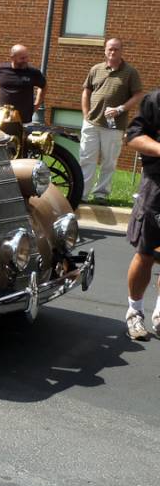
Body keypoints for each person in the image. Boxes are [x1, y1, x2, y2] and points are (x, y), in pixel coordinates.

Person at [79, 38, 144, 203]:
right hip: (92, 123)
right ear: (105, 50)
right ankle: (82, 195)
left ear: (121, 51)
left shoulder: (130, 72)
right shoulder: (96, 69)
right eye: (110, 49)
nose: (112, 52)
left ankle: (101, 194)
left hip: (114, 126)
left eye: (116, 49)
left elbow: (138, 95)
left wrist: (120, 109)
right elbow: (86, 91)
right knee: (87, 159)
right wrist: (86, 114)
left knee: (109, 161)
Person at [123, 90, 160, 340]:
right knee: (146, 254)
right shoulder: (155, 101)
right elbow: (133, 136)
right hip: (157, 187)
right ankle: (134, 313)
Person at [0, 44, 46, 124]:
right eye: (22, 58)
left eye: (27, 57)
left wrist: (37, 104)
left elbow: (44, 86)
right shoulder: (1, 69)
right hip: (2, 116)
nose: (26, 60)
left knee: (19, 136)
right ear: (12, 57)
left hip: (23, 119)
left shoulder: (33, 72)